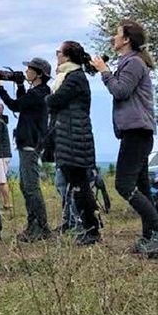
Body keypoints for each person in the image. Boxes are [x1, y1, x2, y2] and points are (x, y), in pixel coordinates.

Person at [91, 21, 158, 254]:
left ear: (127, 39)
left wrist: (104, 72)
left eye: (117, 34)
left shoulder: (134, 63)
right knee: (141, 185)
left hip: (137, 132)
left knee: (123, 184)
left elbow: (120, 91)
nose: (113, 38)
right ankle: (152, 238)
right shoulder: (131, 62)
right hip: (137, 131)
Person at [0, 57, 52, 242]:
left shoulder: (39, 93)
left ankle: (41, 227)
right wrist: (19, 85)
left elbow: (14, 105)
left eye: (29, 69)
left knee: (31, 186)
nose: (26, 72)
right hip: (28, 141)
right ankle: (33, 225)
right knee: (25, 185)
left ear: (38, 73)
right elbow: (22, 103)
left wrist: (0, 87)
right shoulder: (37, 91)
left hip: (30, 142)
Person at [46, 41, 99, 246]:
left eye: (58, 52)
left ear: (66, 57)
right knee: (77, 186)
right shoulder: (71, 77)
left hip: (75, 139)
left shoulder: (74, 78)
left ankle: (91, 229)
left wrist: (48, 99)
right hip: (70, 139)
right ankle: (89, 227)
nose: (56, 56)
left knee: (80, 186)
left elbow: (54, 100)